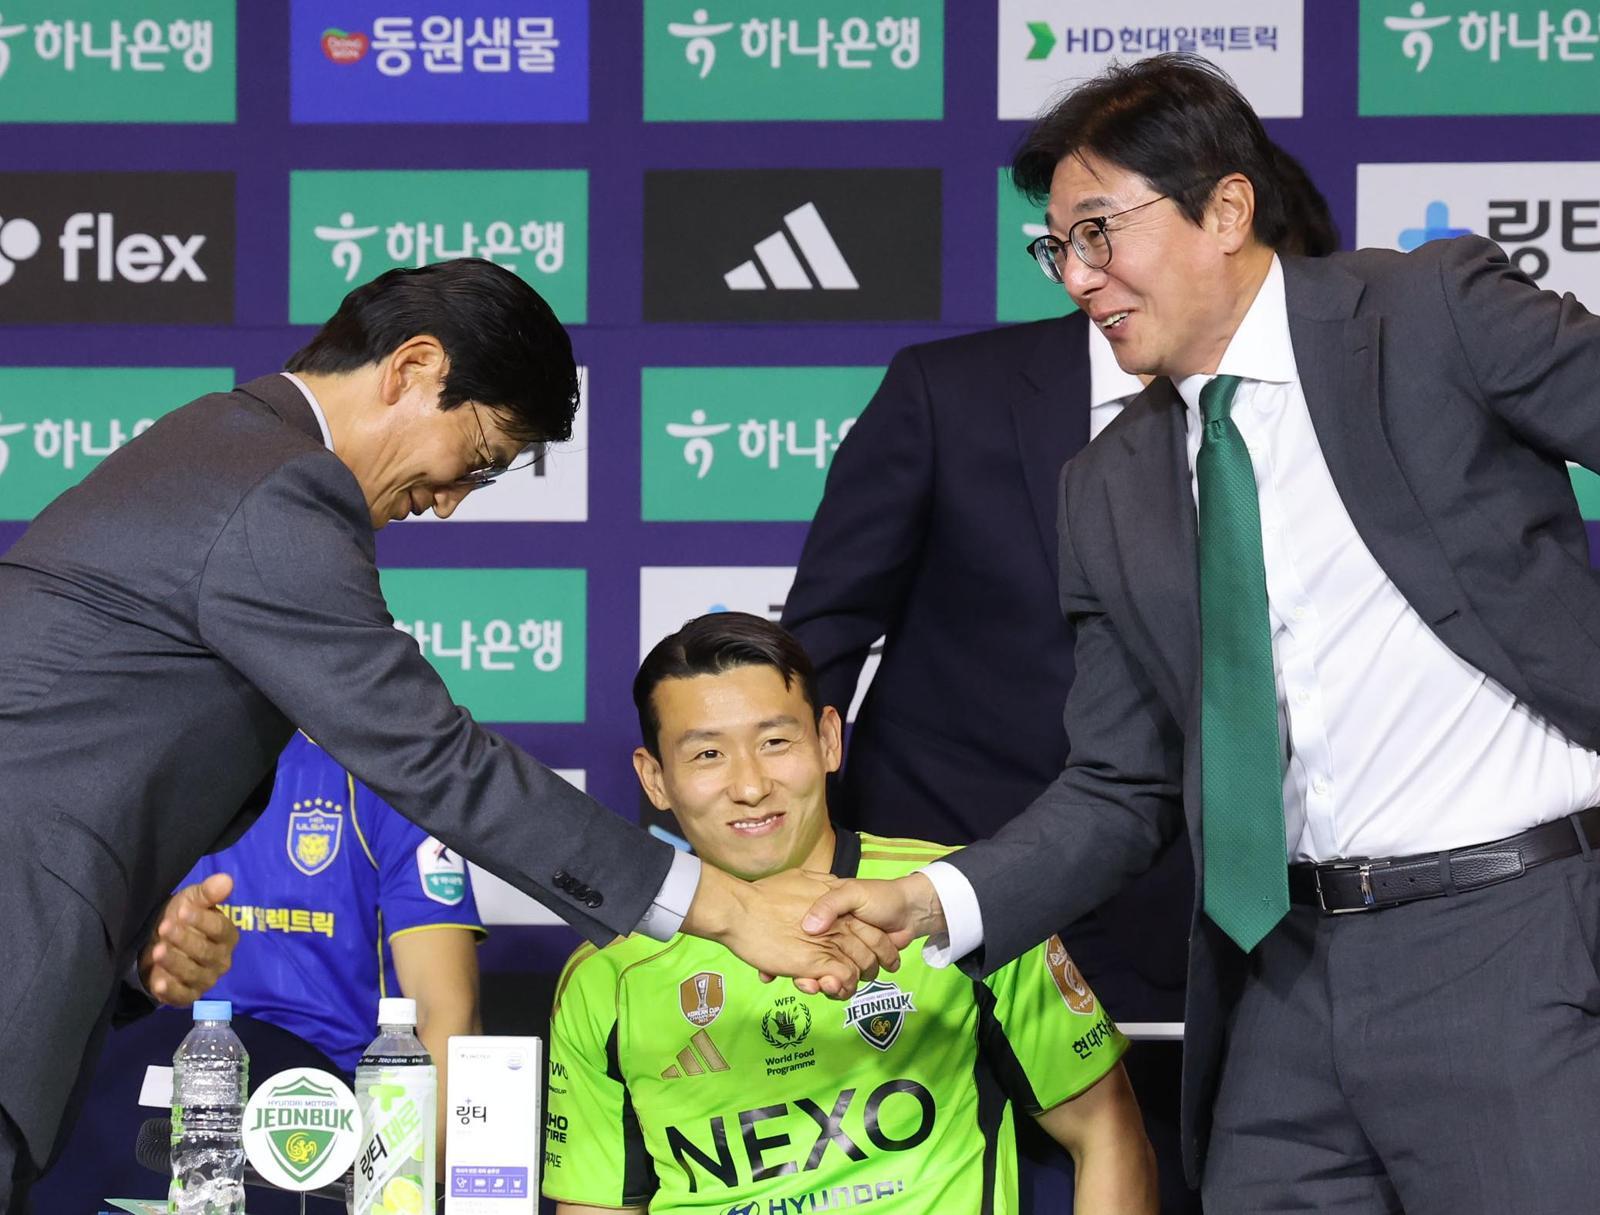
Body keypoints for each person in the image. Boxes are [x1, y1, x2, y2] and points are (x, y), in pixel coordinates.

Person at [801, 53, 1600, 1213]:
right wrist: (932, 904)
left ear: (1225, 210)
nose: (1077, 276)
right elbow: (1118, 788)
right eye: (1054, 247)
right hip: (1274, 985)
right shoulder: (1106, 485)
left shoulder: (1426, 314)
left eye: (1096, 233)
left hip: (1512, 941)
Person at [0, 259, 892, 1211]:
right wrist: (727, 909)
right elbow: (436, 757)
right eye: (478, 456)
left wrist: (138, 938)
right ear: (415, 368)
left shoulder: (222, 452)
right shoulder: (275, 483)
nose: (453, 499)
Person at [781, 137, 1337, 1209]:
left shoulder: (1317, 418)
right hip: (947, 905)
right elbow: (821, 642)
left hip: (1210, 924)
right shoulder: (949, 393)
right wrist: (802, 874)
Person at [542, 613, 1156, 1215]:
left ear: (829, 740)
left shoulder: (960, 899)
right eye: (707, 754)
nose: (750, 786)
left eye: (775, 742)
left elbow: (1106, 1134)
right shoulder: (606, 974)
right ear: (655, 779)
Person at [181, 731, 484, 1150]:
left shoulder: (392, 777)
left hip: (340, 1105)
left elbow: (450, 1014)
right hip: (186, 1082)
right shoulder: (158, 766)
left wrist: (385, 1170)